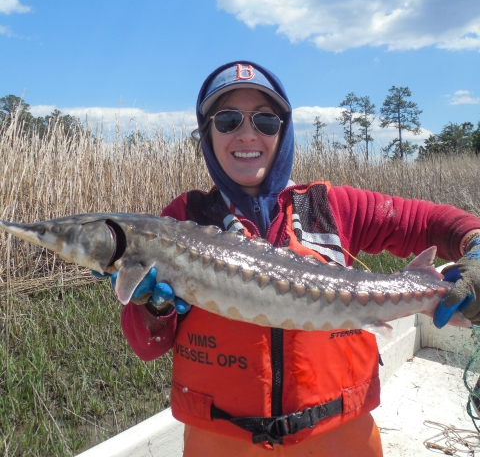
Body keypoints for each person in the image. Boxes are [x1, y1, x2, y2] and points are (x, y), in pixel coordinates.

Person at [117, 61, 480, 456]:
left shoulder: (330, 206)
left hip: (341, 441)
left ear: (284, 132)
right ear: (207, 134)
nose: (247, 133)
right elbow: (147, 346)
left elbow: (435, 222)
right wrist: (153, 308)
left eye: (266, 121)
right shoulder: (181, 220)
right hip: (221, 443)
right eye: (228, 120)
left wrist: (476, 249)